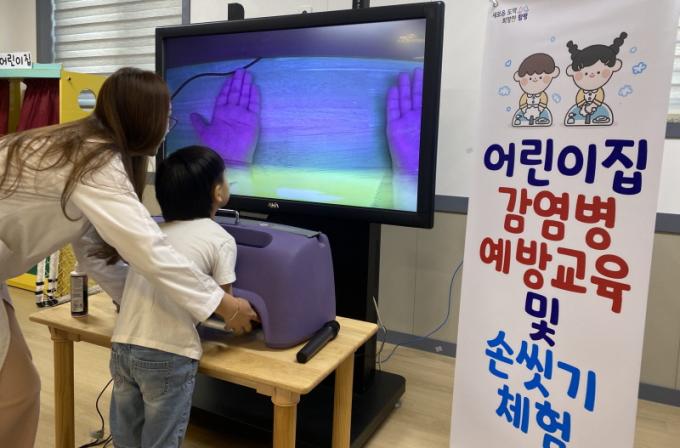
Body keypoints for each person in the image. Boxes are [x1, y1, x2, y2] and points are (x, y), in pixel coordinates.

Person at [0, 67, 258, 447]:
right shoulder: (96, 164)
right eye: (166, 118)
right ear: (143, 118)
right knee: (16, 396)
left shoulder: (79, 148)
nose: (167, 128)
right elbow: (150, 251)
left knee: (20, 392)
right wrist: (226, 305)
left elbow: (93, 252)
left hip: (126, 350)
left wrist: (139, 302)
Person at [109, 145, 249, 447]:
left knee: (126, 437)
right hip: (168, 353)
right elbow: (222, 307)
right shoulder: (221, 239)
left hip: (123, 346)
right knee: (161, 440)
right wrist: (242, 315)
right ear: (218, 193)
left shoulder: (153, 235)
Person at [564, 32, 628, 126]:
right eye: (585, 73)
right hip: (582, 111)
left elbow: (599, 98)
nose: (592, 75)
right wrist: (583, 106)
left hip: (598, 110)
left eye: (598, 72)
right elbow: (579, 99)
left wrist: (593, 105)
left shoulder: (599, 93)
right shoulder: (582, 92)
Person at [512, 53, 560, 127]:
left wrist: (540, 109)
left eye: (540, 77)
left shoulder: (542, 95)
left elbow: (543, 101)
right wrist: (524, 109)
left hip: (540, 111)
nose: (534, 80)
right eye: (530, 78)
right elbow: (522, 103)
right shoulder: (525, 96)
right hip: (526, 110)